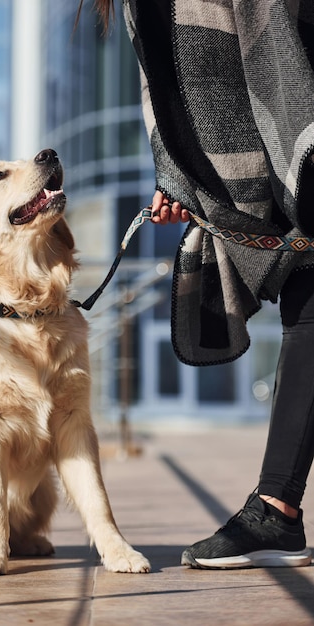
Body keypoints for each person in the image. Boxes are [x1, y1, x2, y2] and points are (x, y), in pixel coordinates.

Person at [76, 0, 314, 569]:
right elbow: (171, 95)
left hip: (298, 147)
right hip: (273, 166)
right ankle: (277, 509)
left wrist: (304, 159)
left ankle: (276, 508)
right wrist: (180, 182)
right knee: (307, 304)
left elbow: (275, 56)